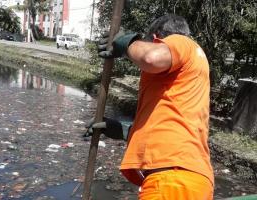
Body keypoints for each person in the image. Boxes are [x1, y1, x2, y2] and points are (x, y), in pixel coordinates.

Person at [87, 14, 214, 199]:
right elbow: (169, 121)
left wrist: (126, 43)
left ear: (156, 39)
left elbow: (150, 57)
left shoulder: (180, 42)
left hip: (171, 180)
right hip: (189, 179)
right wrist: (123, 130)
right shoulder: (186, 72)